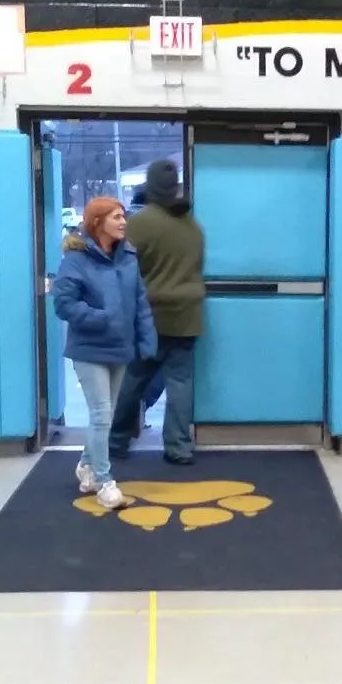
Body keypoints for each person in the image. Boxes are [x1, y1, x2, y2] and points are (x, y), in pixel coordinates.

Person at [54, 195, 158, 507]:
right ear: (97, 222)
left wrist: (146, 339)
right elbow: (63, 304)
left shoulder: (128, 257)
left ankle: (86, 466)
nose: (124, 222)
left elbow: (140, 302)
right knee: (100, 415)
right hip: (89, 348)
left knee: (107, 416)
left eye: (123, 215)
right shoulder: (76, 259)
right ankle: (104, 482)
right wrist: (100, 318)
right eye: (116, 216)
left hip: (120, 348)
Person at [113, 158, 206, 465]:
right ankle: (179, 447)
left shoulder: (140, 223)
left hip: (152, 316)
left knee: (134, 379)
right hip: (188, 315)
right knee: (180, 382)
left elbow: (123, 269)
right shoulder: (193, 225)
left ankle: (116, 443)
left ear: (150, 186)